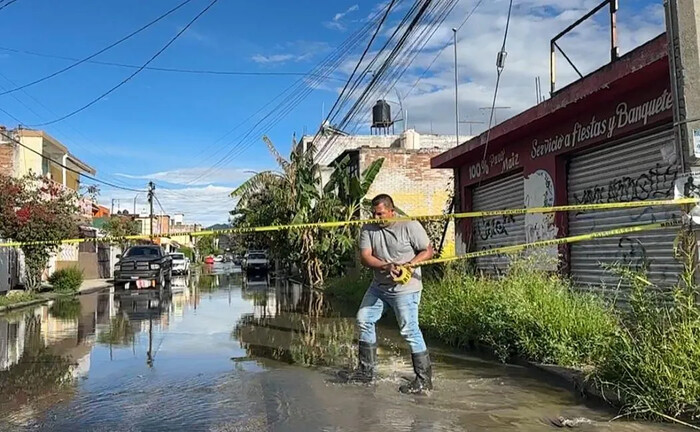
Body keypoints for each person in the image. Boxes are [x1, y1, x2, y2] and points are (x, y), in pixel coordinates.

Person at [346, 193, 434, 394]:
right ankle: (365, 373)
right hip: (379, 286)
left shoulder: (409, 225)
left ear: (391, 211)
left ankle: (423, 381)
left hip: (406, 287)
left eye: (381, 214)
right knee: (363, 319)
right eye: (374, 214)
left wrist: (409, 265)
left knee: (409, 330)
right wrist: (386, 266)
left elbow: (428, 251)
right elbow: (366, 257)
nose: (377, 218)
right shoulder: (368, 229)